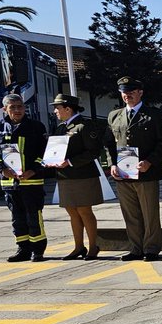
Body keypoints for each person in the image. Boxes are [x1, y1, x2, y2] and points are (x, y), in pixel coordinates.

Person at [106, 76, 162, 261]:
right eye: (124, 92)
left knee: (149, 214)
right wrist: (112, 164)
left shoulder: (154, 115)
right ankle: (135, 248)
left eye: (131, 92)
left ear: (140, 92)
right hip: (123, 174)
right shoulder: (114, 116)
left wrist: (150, 161)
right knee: (130, 214)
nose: (127, 96)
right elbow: (108, 144)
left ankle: (151, 248)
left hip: (146, 172)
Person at [0, 93, 48, 262]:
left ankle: (38, 250)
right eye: (13, 107)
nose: (17, 110)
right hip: (9, 182)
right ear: (5, 109)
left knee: (33, 216)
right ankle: (23, 249)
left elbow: (45, 153)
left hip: (31, 181)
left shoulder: (36, 127)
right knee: (17, 218)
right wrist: (1, 169)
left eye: (20, 106)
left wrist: (33, 170)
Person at [49, 93, 108, 260]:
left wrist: (70, 162)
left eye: (57, 108)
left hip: (82, 176)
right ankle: (78, 247)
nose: (55, 111)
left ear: (68, 109)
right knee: (72, 212)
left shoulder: (84, 126)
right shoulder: (61, 128)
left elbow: (93, 152)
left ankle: (93, 246)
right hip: (65, 176)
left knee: (84, 211)